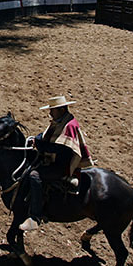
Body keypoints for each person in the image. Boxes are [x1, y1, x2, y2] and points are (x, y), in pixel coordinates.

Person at [19, 96, 94, 231]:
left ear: (61, 109)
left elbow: (62, 149)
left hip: (62, 165)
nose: (50, 113)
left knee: (35, 175)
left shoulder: (69, 126)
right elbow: (48, 134)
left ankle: (35, 215)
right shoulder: (60, 121)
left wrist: (41, 146)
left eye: (52, 110)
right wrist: (37, 139)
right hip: (56, 159)